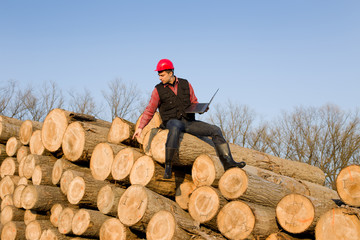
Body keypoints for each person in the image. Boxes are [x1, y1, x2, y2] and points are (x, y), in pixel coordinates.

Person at [133, 59, 246, 179]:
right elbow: (150, 109)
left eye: (162, 75)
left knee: (215, 130)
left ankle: (228, 162)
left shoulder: (185, 84)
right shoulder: (157, 90)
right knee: (175, 125)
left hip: (188, 122)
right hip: (171, 122)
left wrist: (201, 109)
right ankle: (168, 166)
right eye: (159, 75)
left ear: (171, 73)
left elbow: (194, 102)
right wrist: (140, 127)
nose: (160, 78)